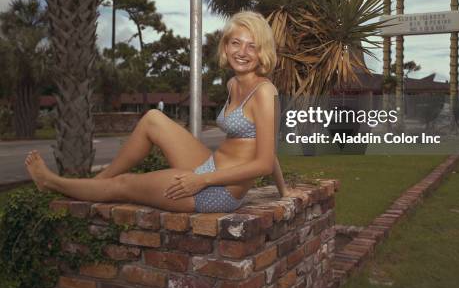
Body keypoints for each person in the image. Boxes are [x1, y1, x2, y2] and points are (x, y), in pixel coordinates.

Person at [25, 11, 289, 212]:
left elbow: (264, 162)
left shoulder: (265, 92)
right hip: (210, 166)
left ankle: (52, 182)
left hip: (219, 191)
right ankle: (98, 182)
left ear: (262, 51)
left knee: (125, 185)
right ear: (225, 46)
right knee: (152, 118)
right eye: (236, 43)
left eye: (251, 46)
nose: (242, 52)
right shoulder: (233, 84)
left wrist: (203, 181)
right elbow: (270, 146)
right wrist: (284, 190)